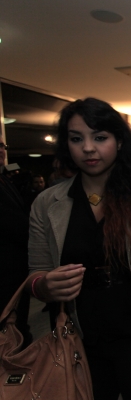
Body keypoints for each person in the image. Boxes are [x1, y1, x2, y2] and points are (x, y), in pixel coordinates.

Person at [27, 98, 131, 400]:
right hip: (81, 341)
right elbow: (36, 273)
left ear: (119, 142)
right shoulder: (47, 204)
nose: (88, 148)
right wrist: (45, 286)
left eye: (100, 137)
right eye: (76, 139)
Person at [0, 136, 32, 347]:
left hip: (16, 269)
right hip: (4, 271)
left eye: (1, 146)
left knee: (18, 325)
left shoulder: (5, 180)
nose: (0, 150)